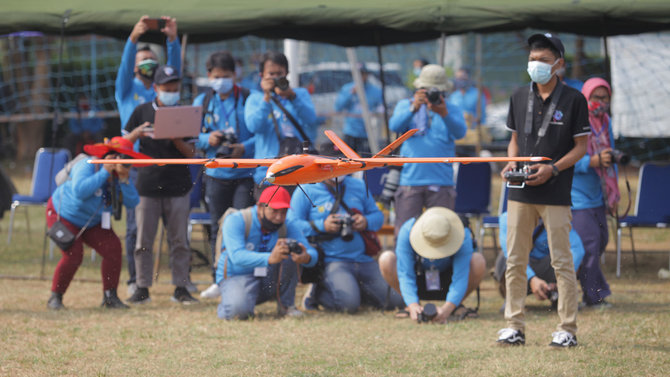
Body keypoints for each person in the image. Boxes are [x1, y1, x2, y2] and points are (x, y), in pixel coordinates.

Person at [498, 33, 590, 348]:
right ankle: (514, 326)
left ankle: (567, 329)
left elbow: (581, 147)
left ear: (559, 64)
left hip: (555, 190)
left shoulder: (575, 100)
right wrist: (512, 163)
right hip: (520, 190)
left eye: (543, 60)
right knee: (514, 258)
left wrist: (554, 168)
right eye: (532, 60)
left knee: (562, 260)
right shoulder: (518, 95)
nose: (535, 65)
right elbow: (513, 140)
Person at [114, 15, 180, 296]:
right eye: (142, 61)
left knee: (173, 231)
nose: (147, 65)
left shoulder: (163, 93)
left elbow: (172, 73)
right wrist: (134, 39)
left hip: (165, 165)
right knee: (135, 229)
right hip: (136, 169)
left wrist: (172, 40)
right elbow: (126, 65)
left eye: (151, 60)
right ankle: (135, 282)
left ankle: (178, 284)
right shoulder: (127, 92)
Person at [288, 159, 404, 313]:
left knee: (396, 302)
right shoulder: (306, 189)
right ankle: (316, 294)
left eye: (341, 165)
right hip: (332, 260)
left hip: (363, 259)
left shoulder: (358, 185)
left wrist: (365, 221)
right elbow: (292, 224)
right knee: (348, 306)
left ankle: (356, 291)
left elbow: (378, 217)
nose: (337, 170)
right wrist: (322, 225)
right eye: (333, 166)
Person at [123, 65, 198, 305]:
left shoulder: (186, 114)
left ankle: (181, 287)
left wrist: (175, 136)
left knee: (179, 240)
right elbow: (122, 142)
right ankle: (142, 287)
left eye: (175, 88)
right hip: (146, 184)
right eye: (167, 88)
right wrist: (137, 134)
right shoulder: (141, 111)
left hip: (178, 185)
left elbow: (191, 152)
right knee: (143, 240)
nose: (172, 92)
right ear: (156, 88)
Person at [46, 137, 147, 310]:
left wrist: (123, 179)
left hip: (93, 221)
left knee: (113, 249)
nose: (121, 162)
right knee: (73, 254)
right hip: (64, 214)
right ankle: (55, 297)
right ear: (108, 155)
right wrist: (104, 172)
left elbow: (132, 203)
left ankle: (110, 296)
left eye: (126, 159)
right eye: (119, 157)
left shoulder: (119, 175)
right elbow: (80, 191)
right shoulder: (88, 163)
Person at [193, 51, 256, 299]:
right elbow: (190, 135)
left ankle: (242, 277)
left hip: (244, 173)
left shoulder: (249, 98)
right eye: (216, 76)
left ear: (235, 75)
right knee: (217, 227)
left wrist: (244, 148)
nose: (221, 81)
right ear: (209, 75)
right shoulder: (203, 100)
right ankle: (217, 278)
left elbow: (259, 133)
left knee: (242, 225)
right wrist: (207, 138)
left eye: (226, 76)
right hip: (215, 174)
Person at [216, 186, 318, 320]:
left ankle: (287, 307)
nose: (279, 217)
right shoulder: (236, 220)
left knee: (289, 252)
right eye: (274, 211)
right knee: (236, 313)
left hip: (268, 278)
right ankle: (232, 300)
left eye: (284, 212)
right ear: (260, 207)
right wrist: (269, 258)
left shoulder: (288, 224)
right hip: (238, 276)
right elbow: (236, 256)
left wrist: (306, 257)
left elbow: (312, 253)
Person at [389, 64, 466, 234]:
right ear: (419, 89)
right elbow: (394, 125)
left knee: (441, 234)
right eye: (427, 90)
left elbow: (460, 132)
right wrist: (413, 108)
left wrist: (444, 113)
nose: (432, 94)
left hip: (441, 183)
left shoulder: (451, 108)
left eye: (436, 91)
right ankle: (405, 262)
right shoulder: (406, 104)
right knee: (405, 234)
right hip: (410, 181)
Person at [378, 207, 485, 323]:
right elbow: (405, 273)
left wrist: (446, 309)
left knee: (478, 260)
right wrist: (413, 304)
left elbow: (461, 276)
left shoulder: (463, 233)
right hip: (419, 276)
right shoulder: (407, 230)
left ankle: (455, 305)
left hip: (448, 279)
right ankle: (411, 307)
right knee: (386, 259)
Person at [572, 78, 617, 308]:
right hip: (576, 196)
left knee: (601, 242)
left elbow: (610, 156)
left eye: (604, 97)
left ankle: (593, 289)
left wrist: (614, 192)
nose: (600, 102)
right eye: (595, 97)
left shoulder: (605, 121)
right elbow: (568, 158)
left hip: (598, 193)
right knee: (589, 245)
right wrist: (591, 161)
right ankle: (593, 296)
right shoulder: (578, 119)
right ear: (586, 97)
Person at [244, 51, 317, 191]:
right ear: (261, 76)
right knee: (269, 213)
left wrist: (292, 97)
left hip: (299, 172)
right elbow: (253, 126)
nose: (276, 78)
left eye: (280, 74)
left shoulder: (299, 94)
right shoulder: (255, 99)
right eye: (271, 74)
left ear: (287, 74)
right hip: (268, 174)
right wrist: (266, 98)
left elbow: (311, 119)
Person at [494, 212, 584, 308]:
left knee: (569, 257)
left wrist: (562, 279)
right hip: (521, 270)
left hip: (545, 265)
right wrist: (532, 279)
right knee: (507, 258)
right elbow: (511, 255)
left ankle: (561, 296)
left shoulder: (556, 216)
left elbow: (577, 249)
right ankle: (512, 299)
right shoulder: (508, 218)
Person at [334, 65, 383, 155]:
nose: (361, 77)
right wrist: (350, 94)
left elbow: (381, 107)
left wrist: (377, 112)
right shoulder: (347, 88)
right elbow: (338, 107)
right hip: (350, 131)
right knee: (347, 160)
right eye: (358, 74)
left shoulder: (375, 90)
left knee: (365, 160)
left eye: (363, 74)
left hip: (367, 133)